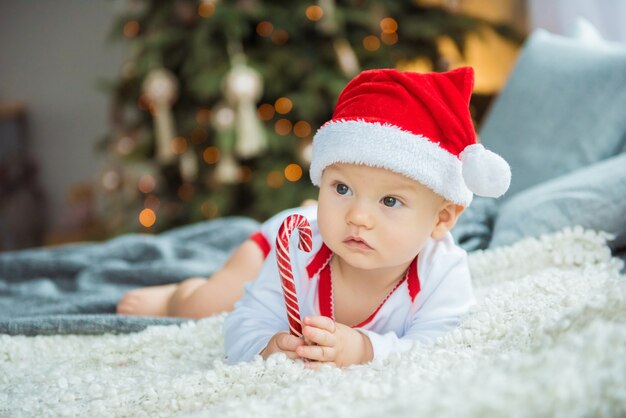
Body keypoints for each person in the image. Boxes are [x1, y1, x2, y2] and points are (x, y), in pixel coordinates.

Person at [119, 67, 511, 368]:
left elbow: (440, 346)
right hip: (283, 237)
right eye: (341, 189)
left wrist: (363, 348)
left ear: (441, 219)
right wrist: (267, 346)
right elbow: (247, 321)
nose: (358, 216)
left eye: (390, 201)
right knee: (208, 304)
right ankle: (176, 294)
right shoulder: (296, 250)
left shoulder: (441, 272)